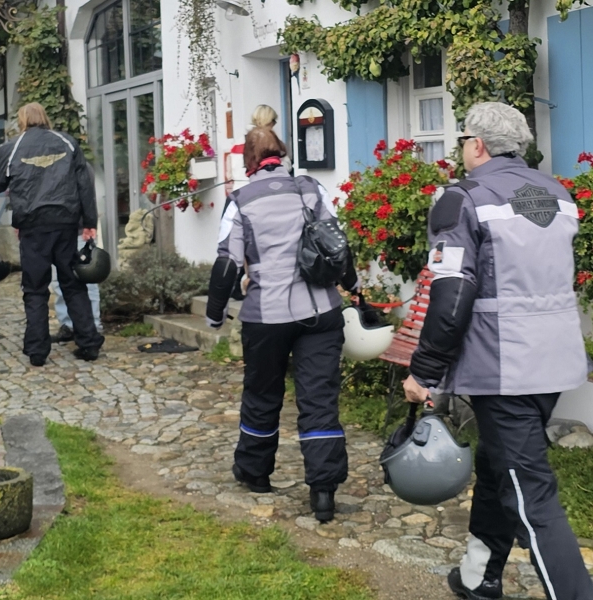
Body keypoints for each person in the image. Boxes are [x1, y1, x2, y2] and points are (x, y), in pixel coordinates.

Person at [402, 102, 593, 600]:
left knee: (531, 498)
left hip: (504, 365)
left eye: (463, 140)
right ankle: (479, 576)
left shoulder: (463, 198)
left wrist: (424, 371)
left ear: (478, 145)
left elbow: (452, 295)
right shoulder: (557, 194)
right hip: (554, 361)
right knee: (496, 465)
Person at [206, 127, 359, 523]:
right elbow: (338, 244)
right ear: (284, 154)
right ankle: (323, 491)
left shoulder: (240, 201)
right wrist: (354, 286)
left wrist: (215, 313)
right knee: (319, 399)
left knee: (262, 393)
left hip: (266, 316)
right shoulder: (311, 189)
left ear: (249, 162)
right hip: (320, 312)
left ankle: (255, 473)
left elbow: (227, 263)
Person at [0, 102, 103, 366]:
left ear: (22, 120)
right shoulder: (67, 142)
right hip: (65, 223)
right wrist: (89, 222)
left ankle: (37, 350)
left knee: (35, 288)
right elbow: (84, 184)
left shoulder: (12, 147)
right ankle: (89, 342)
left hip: (33, 226)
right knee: (73, 284)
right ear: (45, 117)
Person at [50, 162, 102, 343]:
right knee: (59, 281)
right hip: (60, 231)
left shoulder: (82, 167)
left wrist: (89, 224)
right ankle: (68, 325)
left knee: (87, 279)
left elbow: (88, 198)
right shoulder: (55, 165)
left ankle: (93, 324)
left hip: (80, 231)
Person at [251, 104, 293, 174]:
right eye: (274, 121)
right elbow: (286, 167)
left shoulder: (242, 140)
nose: (274, 124)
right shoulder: (271, 142)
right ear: (268, 121)